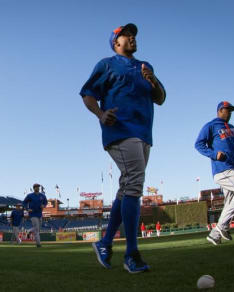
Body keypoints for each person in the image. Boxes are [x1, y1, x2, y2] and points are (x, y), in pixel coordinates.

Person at [81, 23, 165, 273]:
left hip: (144, 132)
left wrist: (153, 82)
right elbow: (87, 94)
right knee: (135, 183)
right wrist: (100, 113)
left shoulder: (145, 67)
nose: (132, 37)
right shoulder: (107, 64)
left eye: (134, 35)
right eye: (127, 35)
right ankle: (132, 254)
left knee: (127, 187)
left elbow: (160, 98)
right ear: (116, 42)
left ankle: (105, 243)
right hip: (119, 130)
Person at [195, 101, 234, 245]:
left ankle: (215, 234)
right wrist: (213, 154)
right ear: (220, 110)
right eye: (227, 110)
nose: (229, 112)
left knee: (230, 203)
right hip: (222, 169)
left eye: (231, 110)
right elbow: (198, 144)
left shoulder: (231, 128)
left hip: (232, 168)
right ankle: (220, 227)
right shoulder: (211, 125)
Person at [23, 183, 48, 248]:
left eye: (38, 187)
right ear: (34, 188)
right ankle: (38, 244)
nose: (37, 188)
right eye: (36, 187)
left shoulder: (42, 195)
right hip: (33, 214)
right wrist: (27, 209)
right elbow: (24, 202)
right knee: (37, 229)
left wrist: (44, 205)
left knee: (38, 229)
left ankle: (29, 231)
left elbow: (46, 202)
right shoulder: (30, 195)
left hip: (39, 214)